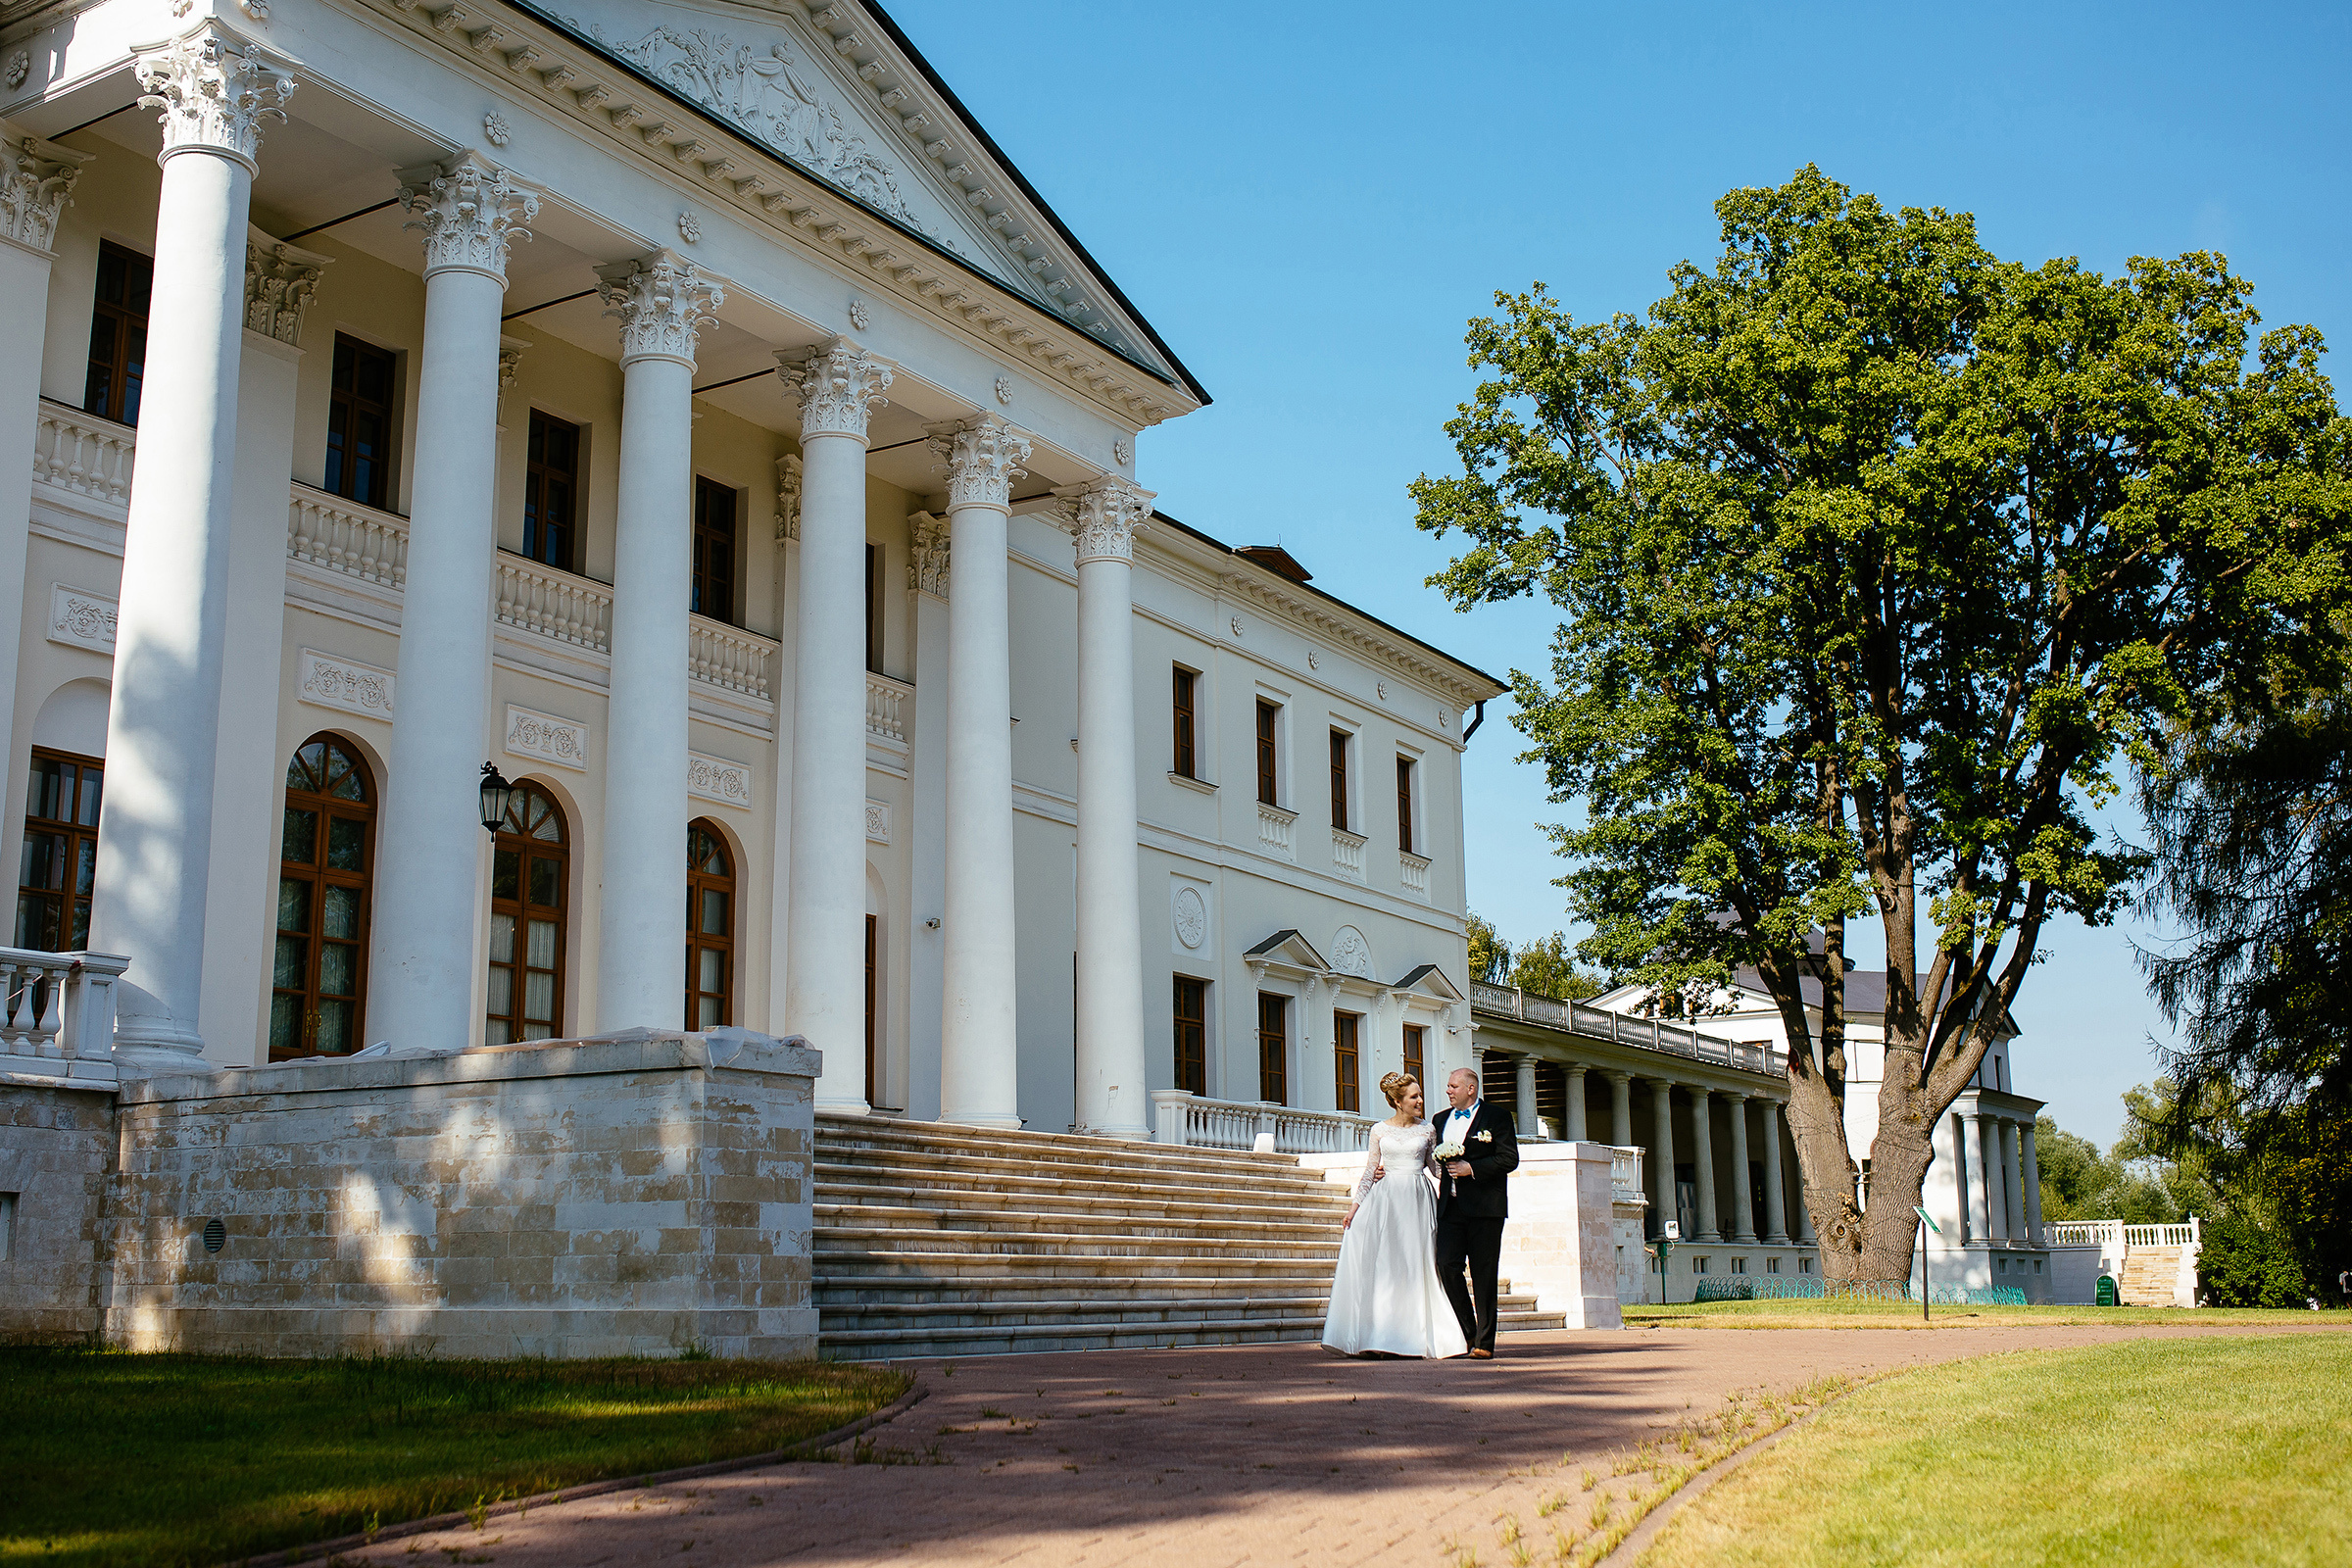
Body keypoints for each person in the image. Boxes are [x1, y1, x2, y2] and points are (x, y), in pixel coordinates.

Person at [1320, 1072, 1468, 1359]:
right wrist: (1354, 1208)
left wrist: (1458, 1180)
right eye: (1414, 1097)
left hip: (1417, 1198)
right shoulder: (1379, 1130)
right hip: (1386, 1201)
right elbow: (1370, 1169)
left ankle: (1417, 1338)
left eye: (1420, 1095)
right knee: (1387, 1269)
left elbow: (1434, 1169)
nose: (1420, 1101)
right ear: (1398, 1102)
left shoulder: (1427, 1130)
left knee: (1417, 1266)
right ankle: (1381, 1337)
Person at [1433, 1065, 1519, 1358]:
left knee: (1484, 1274)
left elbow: (1509, 1158)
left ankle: (1484, 1343)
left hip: (1485, 1209)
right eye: (1448, 1086)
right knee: (1446, 1265)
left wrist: (1473, 1168)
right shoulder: (1440, 1119)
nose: (1448, 1091)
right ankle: (1468, 1333)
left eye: (1454, 1086)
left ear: (1471, 1088)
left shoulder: (1497, 1117)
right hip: (1450, 1207)